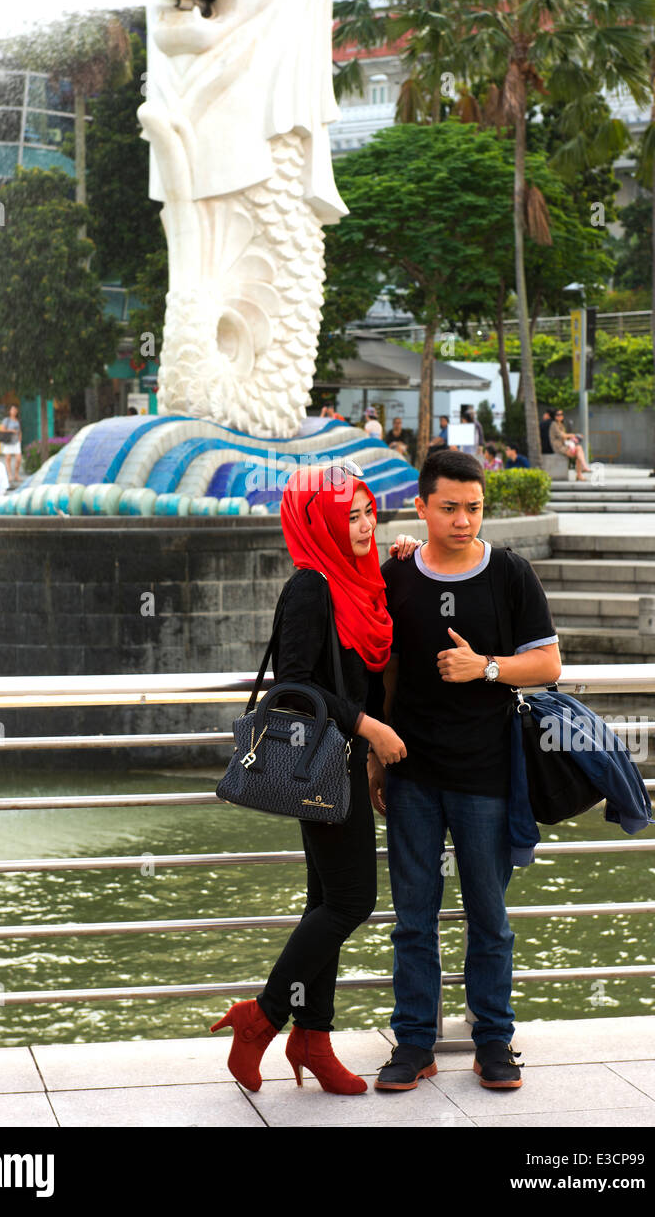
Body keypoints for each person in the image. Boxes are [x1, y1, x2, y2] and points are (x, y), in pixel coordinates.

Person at [211, 462, 408, 1094]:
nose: (363, 524)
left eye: (367, 511)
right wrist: (369, 730)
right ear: (317, 523)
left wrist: (403, 555)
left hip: (348, 761)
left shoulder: (362, 580)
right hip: (318, 760)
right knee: (354, 901)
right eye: (347, 516)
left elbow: (369, 660)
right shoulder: (312, 587)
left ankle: (313, 1038)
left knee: (326, 902)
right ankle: (264, 1017)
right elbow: (295, 685)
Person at [370, 449, 560, 1092]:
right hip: (411, 770)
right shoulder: (397, 575)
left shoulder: (509, 572)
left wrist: (485, 667)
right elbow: (388, 671)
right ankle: (414, 1042)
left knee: (489, 917)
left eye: (474, 508)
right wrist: (377, 754)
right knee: (413, 917)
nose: (463, 520)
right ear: (420, 507)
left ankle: (494, 1042)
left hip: (486, 772)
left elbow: (548, 666)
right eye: (448, 508)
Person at [549, 408, 591, 482]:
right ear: (554, 416)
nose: (560, 416)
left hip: (564, 446)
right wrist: (573, 435)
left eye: (561, 414)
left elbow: (565, 439)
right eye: (558, 415)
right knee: (578, 450)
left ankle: (580, 472)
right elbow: (562, 435)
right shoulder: (554, 424)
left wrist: (571, 441)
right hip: (559, 448)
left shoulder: (561, 425)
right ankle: (581, 471)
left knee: (578, 449)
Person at [0, 404, 22, 484]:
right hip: (8, 441)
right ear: (9, 411)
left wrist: (20, 438)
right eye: (12, 410)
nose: (14, 411)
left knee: (19, 459)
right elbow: (2, 430)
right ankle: (9, 475)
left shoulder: (17, 420)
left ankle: (16, 474)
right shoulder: (6, 420)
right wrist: (11, 431)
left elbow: (20, 431)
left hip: (16, 441)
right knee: (8, 458)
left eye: (15, 410)